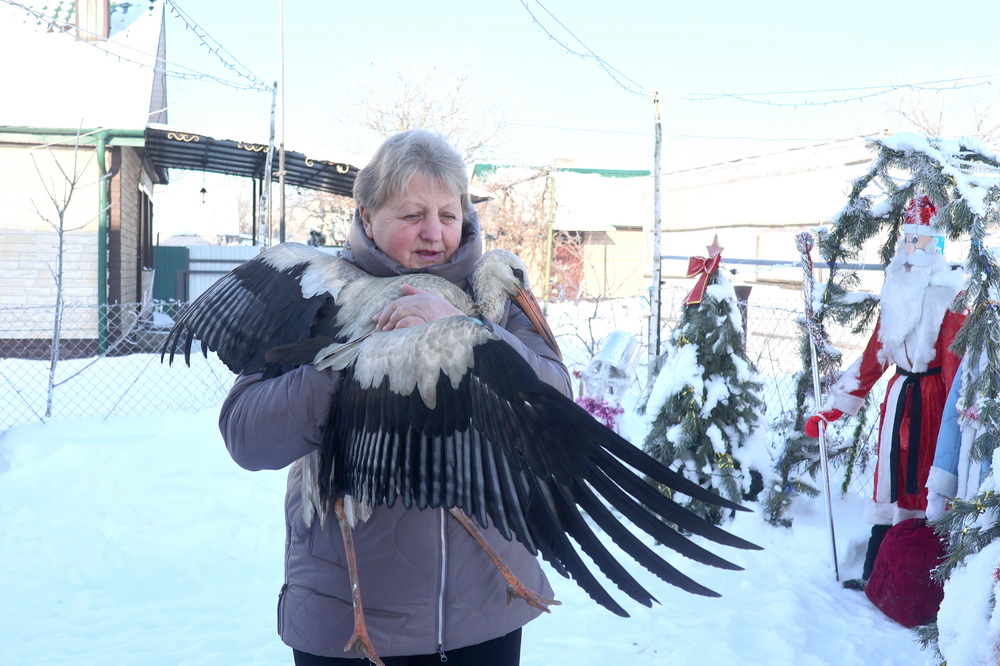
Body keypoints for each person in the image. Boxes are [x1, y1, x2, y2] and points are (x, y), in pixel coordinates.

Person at [219, 129, 571, 665]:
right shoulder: (320, 296)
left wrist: (464, 333)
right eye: (411, 216)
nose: (434, 234)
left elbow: (558, 400)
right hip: (343, 631)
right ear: (365, 216)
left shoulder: (495, 297)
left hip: (487, 619)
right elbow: (246, 435)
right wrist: (357, 369)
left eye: (448, 216)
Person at [804, 195, 965, 589]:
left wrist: (956, 428)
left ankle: (915, 583)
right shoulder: (895, 295)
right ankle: (877, 573)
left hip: (931, 403)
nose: (912, 252)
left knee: (921, 484)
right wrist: (834, 410)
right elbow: (873, 358)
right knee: (888, 483)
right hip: (897, 401)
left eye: (921, 243)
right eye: (907, 243)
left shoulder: (949, 296)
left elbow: (954, 369)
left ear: (936, 247)